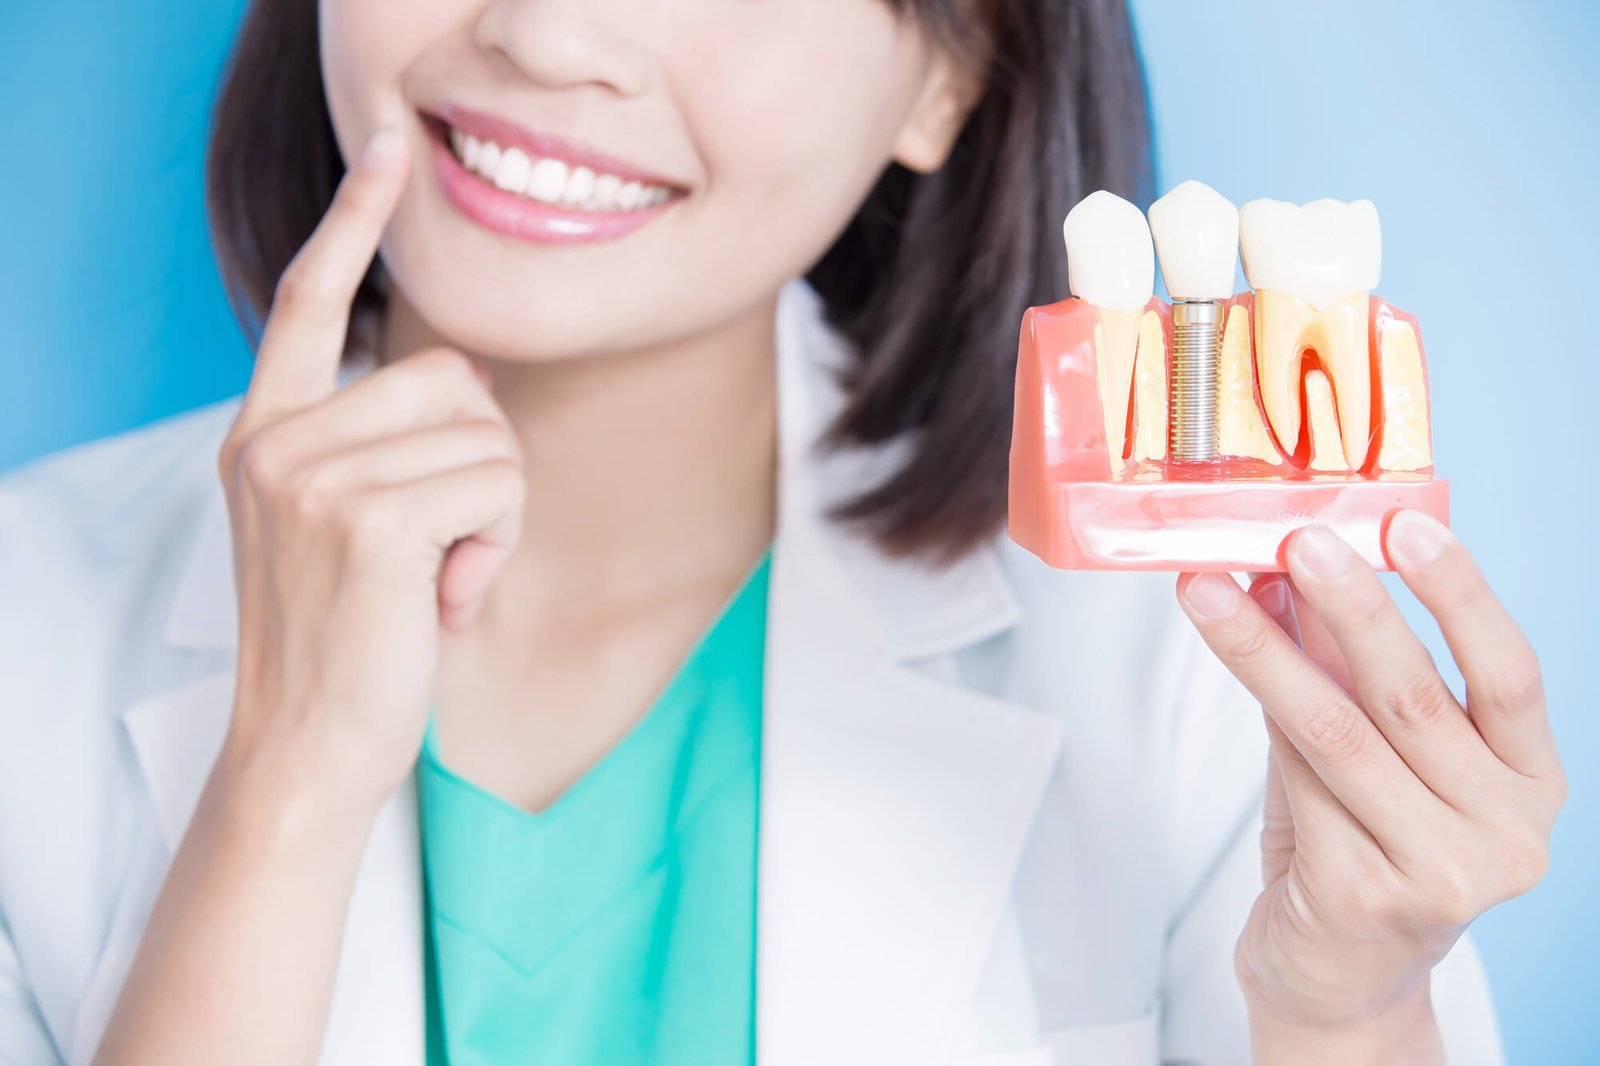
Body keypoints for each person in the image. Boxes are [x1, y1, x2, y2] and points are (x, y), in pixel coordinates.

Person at [0, 0, 1564, 1063]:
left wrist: (1348, 1008)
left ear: (950, 75)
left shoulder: (1194, 664)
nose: (548, 34)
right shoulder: (27, 617)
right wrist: (278, 783)